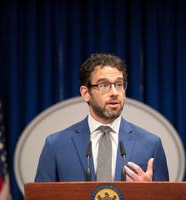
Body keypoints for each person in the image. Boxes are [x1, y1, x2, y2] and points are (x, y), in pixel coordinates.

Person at [35, 53, 169, 182]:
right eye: (104, 85)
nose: (114, 93)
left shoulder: (151, 144)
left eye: (119, 84)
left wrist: (148, 193)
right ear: (86, 93)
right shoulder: (56, 145)